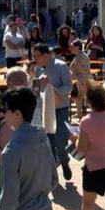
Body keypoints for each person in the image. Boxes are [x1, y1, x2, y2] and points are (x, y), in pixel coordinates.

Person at [32, 43, 74, 180]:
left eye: (37, 56)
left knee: (60, 141)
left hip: (60, 108)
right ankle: (52, 172)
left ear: (46, 55)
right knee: (48, 142)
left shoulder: (61, 66)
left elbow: (68, 87)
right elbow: (36, 91)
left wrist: (51, 86)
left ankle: (64, 161)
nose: (35, 59)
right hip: (45, 110)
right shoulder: (38, 69)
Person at [69, 40, 92, 116]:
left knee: (80, 97)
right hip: (81, 79)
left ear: (77, 47)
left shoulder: (80, 57)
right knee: (80, 97)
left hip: (82, 79)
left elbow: (78, 69)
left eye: (72, 47)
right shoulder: (78, 56)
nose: (71, 48)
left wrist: (72, 77)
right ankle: (80, 113)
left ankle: (80, 114)